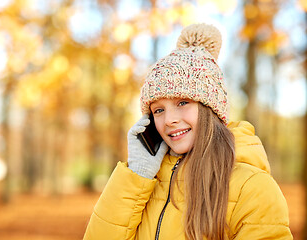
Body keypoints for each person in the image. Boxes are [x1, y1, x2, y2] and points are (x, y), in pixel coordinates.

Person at [83, 23, 293, 240]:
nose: (169, 120)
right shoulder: (144, 185)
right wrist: (137, 174)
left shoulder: (253, 189)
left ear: (211, 109)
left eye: (183, 102)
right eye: (158, 110)